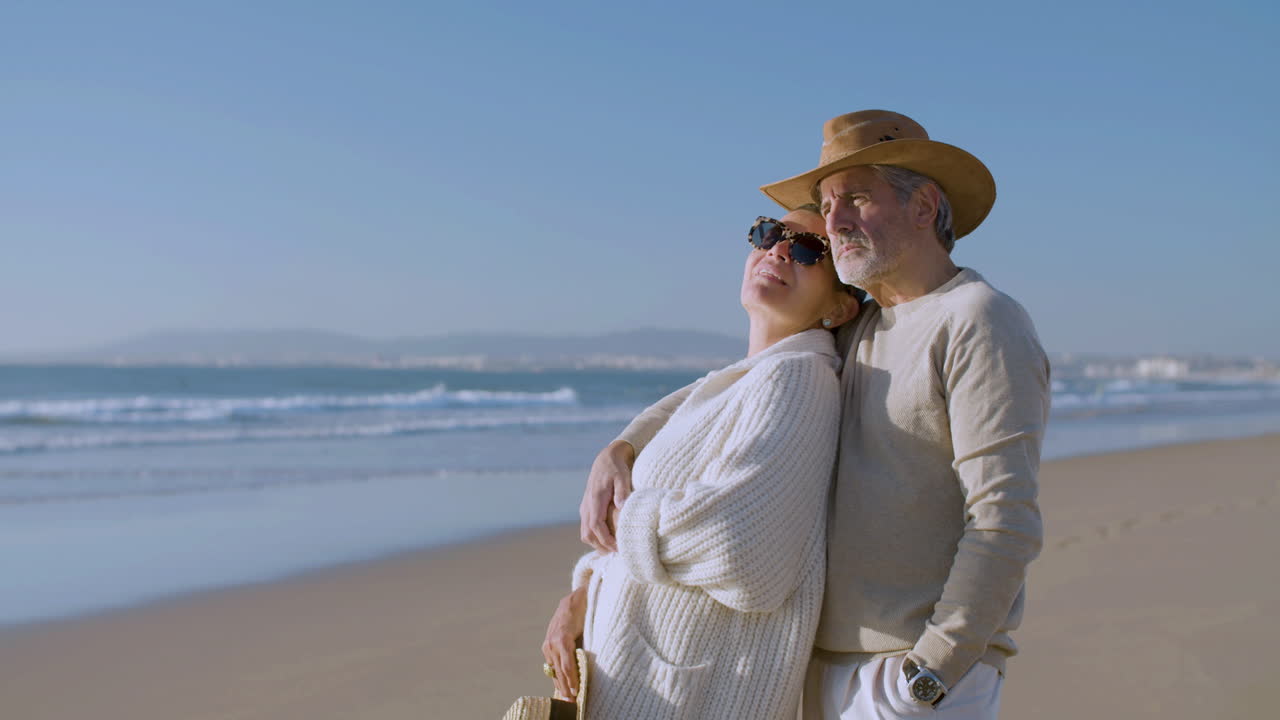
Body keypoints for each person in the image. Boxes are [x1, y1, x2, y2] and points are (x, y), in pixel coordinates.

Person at [580, 110, 1050, 719]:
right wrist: (620, 447)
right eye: (828, 205)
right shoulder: (865, 326)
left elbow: (1005, 518)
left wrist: (932, 672)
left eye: (856, 197)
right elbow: (730, 383)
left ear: (924, 205)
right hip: (819, 668)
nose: (836, 219)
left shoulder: (978, 317)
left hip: (914, 671)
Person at [541, 208, 862, 720]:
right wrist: (581, 596)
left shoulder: (799, 380)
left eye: (807, 250)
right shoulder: (742, 379)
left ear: (840, 309)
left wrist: (622, 522)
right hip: (635, 692)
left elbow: (743, 546)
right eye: (769, 233)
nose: (778, 249)